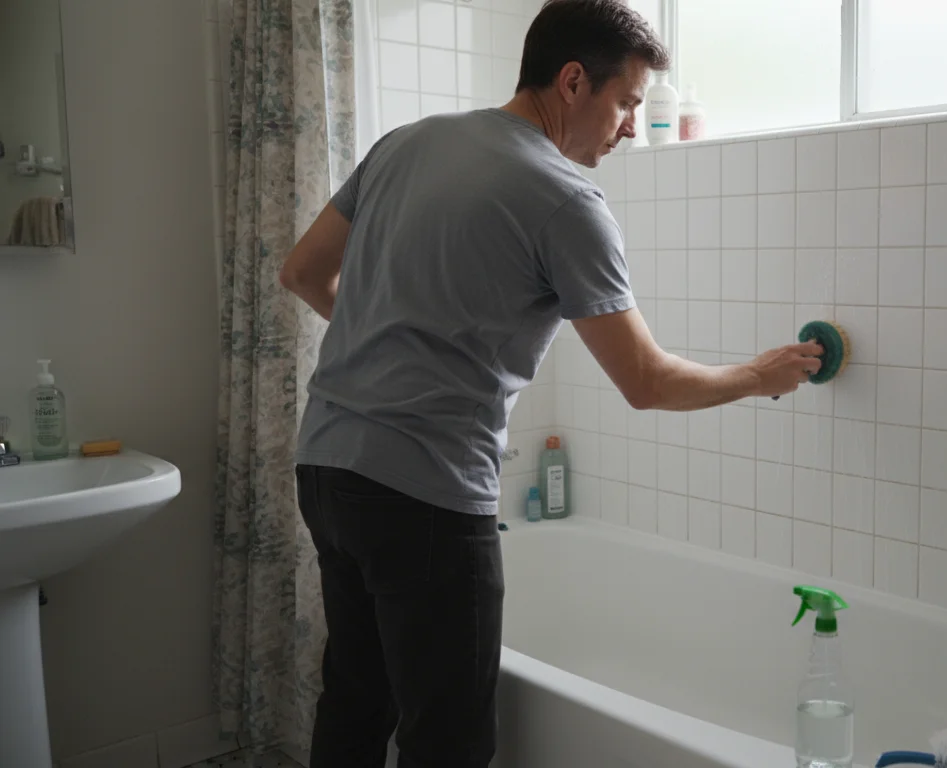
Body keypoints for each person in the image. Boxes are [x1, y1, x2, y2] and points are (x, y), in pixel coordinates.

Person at [278, 0, 822, 765]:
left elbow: (302, 272)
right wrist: (757, 376)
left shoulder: (406, 143)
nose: (631, 124)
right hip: (425, 492)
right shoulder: (564, 198)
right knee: (448, 738)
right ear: (573, 82)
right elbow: (645, 380)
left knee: (357, 703)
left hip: (327, 465)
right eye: (627, 101)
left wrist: (384, 345)